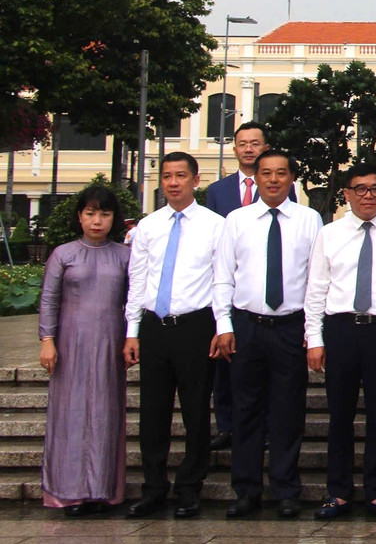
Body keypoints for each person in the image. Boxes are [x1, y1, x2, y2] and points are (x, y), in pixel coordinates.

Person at [213, 149, 323, 519]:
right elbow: (224, 276)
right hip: (248, 326)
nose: (273, 180)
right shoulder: (237, 220)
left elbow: (315, 280)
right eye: (266, 173)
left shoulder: (310, 220)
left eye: (281, 173)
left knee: (288, 412)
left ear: (292, 177)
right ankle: (246, 490)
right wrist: (224, 326)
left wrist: (313, 333)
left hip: (290, 327)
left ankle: (286, 489)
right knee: (246, 411)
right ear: (255, 178)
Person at [305, 162, 376, 520]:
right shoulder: (329, 234)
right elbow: (316, 289)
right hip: (341, 329)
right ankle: (339, 492)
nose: (368, 195)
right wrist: (314, 338)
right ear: (346, 193)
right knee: (340, 415)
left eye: (375, 189)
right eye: (360, 189)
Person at [123, 154, 223, 519]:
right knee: (153, 412)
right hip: (154, 327)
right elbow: (138, 282)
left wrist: (221, 327)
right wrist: (132, 331)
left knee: (196, 412)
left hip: (196, 326)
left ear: (196, 180)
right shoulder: (147, 227)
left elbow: (221, 280)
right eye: (167, 176)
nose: (174, 182)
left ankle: (189, 488)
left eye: (181, 176)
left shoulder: (215, 225)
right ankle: (153, 488)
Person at [204, 120, 297, 450]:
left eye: (255, 143)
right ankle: (228, 428)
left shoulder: (294, 204)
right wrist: (222, 318)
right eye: (242, 143)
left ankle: (273, 437)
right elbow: (215, 252)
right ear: (235, 148)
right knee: (231, 379)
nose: (248, 148)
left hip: (283, 312)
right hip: (236, 302)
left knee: (280, 393)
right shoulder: (219, 193)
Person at [39, 184, 131, 516]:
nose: (97, 221)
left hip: (109, 344)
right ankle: (68, 492)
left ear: (113, 219)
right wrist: (47, 340)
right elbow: (49, 300)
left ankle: (102, 491)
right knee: (70, 416)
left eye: (104, 214)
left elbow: (132, 303)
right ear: (79, 216)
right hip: (70, 345)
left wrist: (131, 340)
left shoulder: (124, 256)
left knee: (106, 415)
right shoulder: (63, 254)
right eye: (90, 213)